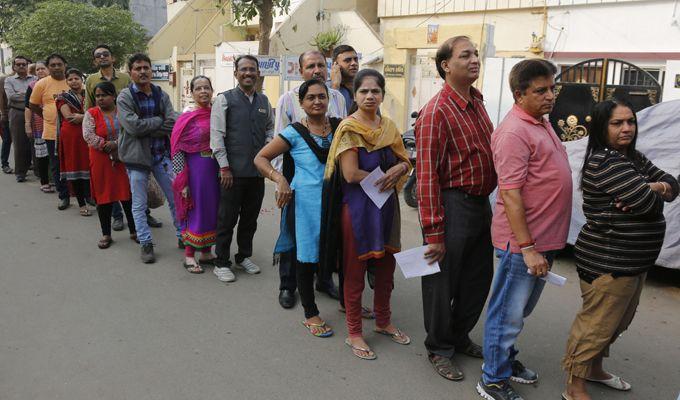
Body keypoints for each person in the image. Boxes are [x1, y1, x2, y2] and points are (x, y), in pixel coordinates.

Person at [561, 99, 679, 400]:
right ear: (603, 127)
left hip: (633, 262)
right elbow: (645, 202)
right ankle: (574, 387)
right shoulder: (604, 161)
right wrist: (652, 191)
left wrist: (655, 187)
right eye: (618, 123)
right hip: (607, 262)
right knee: (595, 325)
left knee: (616, 322)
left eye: (631, 122)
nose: (627, 128)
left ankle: (596, 368)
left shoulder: (633, 158)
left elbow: (672, 184)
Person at [476, 59, 572, 400]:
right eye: (541, 90)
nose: (550, 96)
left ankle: (504, 359)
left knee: (520, 311)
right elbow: (511, 194)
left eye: (552, 88)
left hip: (542, 240)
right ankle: (492, 379)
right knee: (507, 312)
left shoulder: (540, 123)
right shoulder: (514, 131)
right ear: (519, 94)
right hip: (522, 244)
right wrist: (528, 247)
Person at [415, 36, 496, 381]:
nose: (474, 59)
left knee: (478, 278)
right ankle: (439, 347)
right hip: (452, 205)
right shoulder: (437, 111)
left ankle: (459, 336)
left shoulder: (476, 102)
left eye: (476, 54)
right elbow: (426, 177)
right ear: (446, 65)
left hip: (481, 204)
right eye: (466, 55)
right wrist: (434, 232)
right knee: (442, 281)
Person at [323, 69, 412, 360]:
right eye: (364, 91)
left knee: (386, 268)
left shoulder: (388, 127)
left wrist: (400, 168)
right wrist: (390, 174)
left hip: (386, 207)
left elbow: (404, 161)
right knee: (355, 271)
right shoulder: (349, 129)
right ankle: (354, 332)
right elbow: (350, 174)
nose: (370, 96)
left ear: (383, 95)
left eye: (375, 91)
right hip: (359, 210)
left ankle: (384, 321)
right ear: (356, 95)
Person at [255, 79, 341, 336]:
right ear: (301, 104)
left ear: (328, 99)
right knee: (305, 256)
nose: (317, 101)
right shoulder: (293, 132)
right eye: (311, 97)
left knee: (339, 251)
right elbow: (260, 158)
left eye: (321, 96)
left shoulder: (340, 127)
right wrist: (280, 178)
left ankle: (348, 302)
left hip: (336, 201)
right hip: (305, 203)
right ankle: (310, 313)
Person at [274, 50, 345, 308]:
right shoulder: (288, 99)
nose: (316, 70)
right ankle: (288, 285)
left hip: (330, 183)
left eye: (320, 65)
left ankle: (324, 280)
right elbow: (278, 142)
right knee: (295, 236)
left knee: (326, 233)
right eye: (310, 66)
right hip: (298, 179)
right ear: (301, 70)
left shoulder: (337, 98)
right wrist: (282, 181)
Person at [210, 55, 274, 282]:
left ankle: (243, 256)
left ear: (258, 73)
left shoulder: (264, 102)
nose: (248, 73)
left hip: (257, 173)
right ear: (236, 74)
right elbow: (217, 135)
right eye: (244, 69)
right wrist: (224, 167)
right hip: (232, 173)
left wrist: (267, 151)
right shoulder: (224, 100)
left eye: (252, 70)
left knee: (250, 218)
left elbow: (269, 130)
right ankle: (221, 262)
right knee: (227, 219)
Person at [84, 44, 161, 233]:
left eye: (105, 54)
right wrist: (106, 145)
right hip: (101, 148)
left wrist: (119, 143)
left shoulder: (126, 78)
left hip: (127, 143)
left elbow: (132, 115)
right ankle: (116, 218)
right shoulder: (92, 80)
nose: (102, 57)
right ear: (95, 60)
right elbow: (88, 112)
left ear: (113, 57)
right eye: (98, 55)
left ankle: (142, 218)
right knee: (106, 190)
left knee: (130, 188)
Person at [117, 53, 180, 264]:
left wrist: (147, 126)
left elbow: (172, 122)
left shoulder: (161, 94)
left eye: (146, 68)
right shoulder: (125, 97)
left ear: (151, 71)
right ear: (130, 72)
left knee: (176, 197)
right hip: (137, 159)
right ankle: (145, 243)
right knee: (139, 203)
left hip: (161, 155)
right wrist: (157, 122)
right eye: (138, 68)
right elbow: (132, 126)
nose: (143, 71)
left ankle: (183, 236)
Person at [171, 76, 219, 273]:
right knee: (195, 210)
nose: (203, 91)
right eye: (198, 88)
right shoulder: (187, 118)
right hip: (195, 171)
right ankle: (189, 255)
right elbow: (177, 149)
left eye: (206, 87)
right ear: (191, 92)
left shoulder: (217, 114)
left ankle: (206, 252)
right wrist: (182, 180)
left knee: (211, 209)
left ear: (212, 90)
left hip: (215, 169)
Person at [82, 81, 136, 248]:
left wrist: (117, 144)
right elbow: (88, 135)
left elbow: (131, 131)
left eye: (104, 95)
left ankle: (135, 231)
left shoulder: (123, 112)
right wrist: (107, 146)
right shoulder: (91, 114)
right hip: (101, 160)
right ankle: (106, 234)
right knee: (103, 197)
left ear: (113, 96)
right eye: (97, 96)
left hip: (124, 157)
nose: (100, 99)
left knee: (128, 195)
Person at [29, 54, 71, 209]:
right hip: (52, 132)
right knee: (57, 165)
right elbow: (32, 105)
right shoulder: (42, 84)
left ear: (65, 65)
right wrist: (47, 116)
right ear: (48, 67)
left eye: (59, 64)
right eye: (52, 65)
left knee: (77, 162)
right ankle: (63, 196)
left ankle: (84, 194)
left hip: (73, 132)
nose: (56, 67)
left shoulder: (72, 80)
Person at [56, 68, 91, 216]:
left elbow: (98, 111)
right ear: (67, 81)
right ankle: (82, 203)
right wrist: (88, 116)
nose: (73, 81)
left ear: (82, 79)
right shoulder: (63, 98)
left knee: (90, 166)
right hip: (72, 137)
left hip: (88, 134)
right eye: (70, 79)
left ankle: (91, 196)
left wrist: (83, 117)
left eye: (76, 78)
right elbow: (69, 117)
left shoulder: (88, 95)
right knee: (75, 168)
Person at [4, 56, 35, 182]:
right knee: (19, 143)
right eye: (19, 64)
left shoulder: (35, 79)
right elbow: (11, 97)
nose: (21, 66)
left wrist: (22, 95)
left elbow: (38, 95)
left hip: (35, 113)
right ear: (14, 67)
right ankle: (20, 172)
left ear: (28, 66)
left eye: (24, 64)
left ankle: (38, 170)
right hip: (17, 114)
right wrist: (30, 97)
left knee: (36, 142)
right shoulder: (9, 80)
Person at [24, 61, 52, 192]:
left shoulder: (56, 83)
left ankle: (58, 180)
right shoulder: (32, 86)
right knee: (42, 155)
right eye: (38, 69)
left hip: (55, 124)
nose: (40, 71)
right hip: (39, 124)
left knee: (56, 154)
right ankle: (44, 181)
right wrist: (27, 124)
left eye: (43, 68)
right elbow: (28, 107)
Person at [330, 45, 359, 114]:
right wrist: (335, 86)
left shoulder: (364, 86)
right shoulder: (326, 88)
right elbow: (329, 115)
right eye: (347, 60)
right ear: (335, 65)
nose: (353, 63)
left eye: (355, 59)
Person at [0, 73, 12, 174]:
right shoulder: (4, 79)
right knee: (7, 140)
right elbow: (1, 97)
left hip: (16, 113)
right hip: (6, 115)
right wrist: (3, 114)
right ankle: (4, 164)